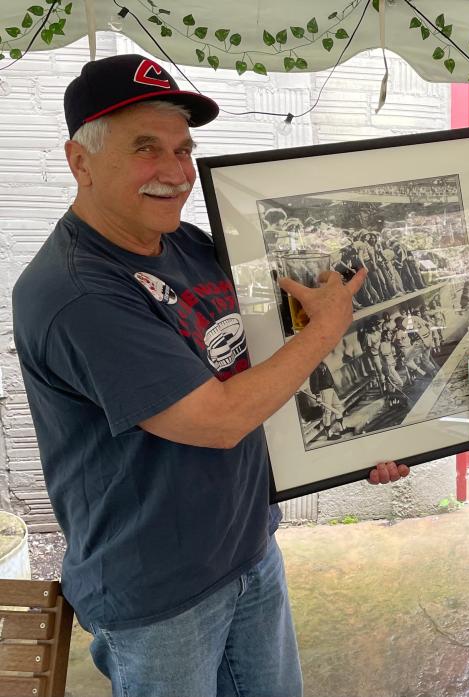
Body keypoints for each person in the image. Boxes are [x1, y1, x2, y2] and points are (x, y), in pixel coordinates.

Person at [12, 54, 410, 697]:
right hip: (159, 594)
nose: (175, 173)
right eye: (147, 150)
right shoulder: (75, 291)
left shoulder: (192, 245)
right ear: (79, 161)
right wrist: (326, 329)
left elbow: (263, 373)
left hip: (248, 549)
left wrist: (354, 443)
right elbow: (220, 419)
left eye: (182, 149)